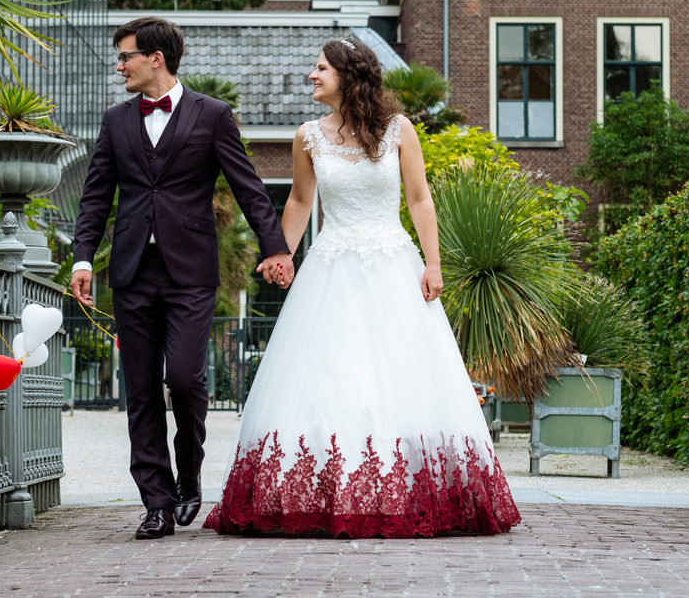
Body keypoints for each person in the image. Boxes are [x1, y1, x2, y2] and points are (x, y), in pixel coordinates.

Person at [204, 37, 520, 537]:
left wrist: (432, 264)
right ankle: (331, 495)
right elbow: (300, 204)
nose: (312, 76)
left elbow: (420, 199)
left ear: (348, 76)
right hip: (331, 268)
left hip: (393, 264)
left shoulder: (398, 130)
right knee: (332, 376)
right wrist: (281, 253)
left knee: (400, 378)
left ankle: (407, 493)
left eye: (320, 68)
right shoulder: (308, 136)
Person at [71, 17, 295, 540]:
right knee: (142, 390)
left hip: (191, 270)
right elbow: (96, 197)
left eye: (125, 56)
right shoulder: (115, 120)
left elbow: (249, 188)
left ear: (155, 58)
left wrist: (276, 248)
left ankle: (189, 474)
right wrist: (84, 258)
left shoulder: (212, 115)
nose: (119, 66)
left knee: (187, 378)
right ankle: (156, 501)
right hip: (130, 270)